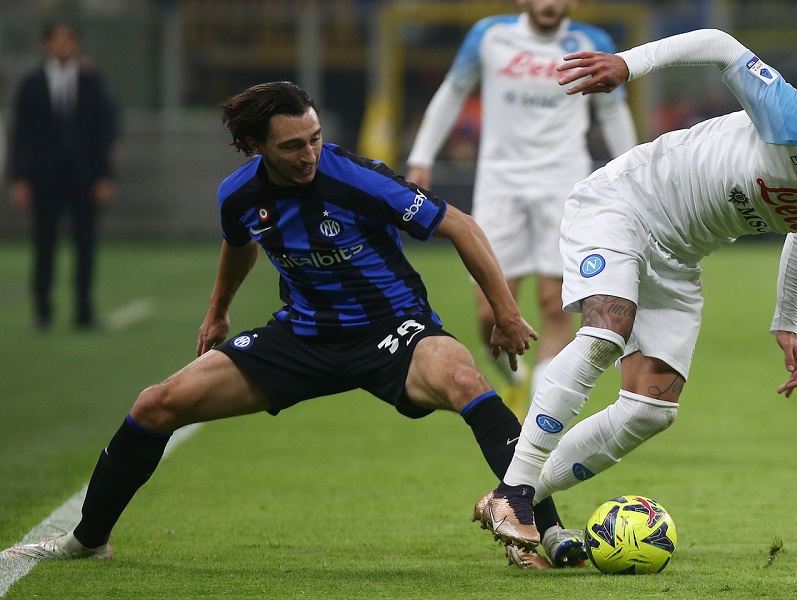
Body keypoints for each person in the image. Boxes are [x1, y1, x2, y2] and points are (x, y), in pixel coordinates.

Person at [1, 82, 584, 570]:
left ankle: (546, 529)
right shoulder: (238, 195)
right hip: (302, 337)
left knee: (465, 382)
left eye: (315, 138)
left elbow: (460, 225)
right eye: (292, 146)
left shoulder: (357, 178)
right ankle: (88, 540)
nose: (309, 155)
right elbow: (240, 243)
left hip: (392, 331)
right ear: (255, 147)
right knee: (156, 405)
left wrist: (506, 312)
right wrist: (218, 310)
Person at [471, 28, 797, 550]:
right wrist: (628, 64)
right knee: (606, 333)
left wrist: (787, 321)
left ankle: (514, 496)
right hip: (624, 205)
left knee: (651, 409)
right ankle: (517, 490)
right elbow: (719, 45)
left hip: (679, 257)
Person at [406, 0, 637, 411]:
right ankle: (515, 378)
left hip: (564, 185)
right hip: (500, 184)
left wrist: (633, 173)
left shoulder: (592, 41)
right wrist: (421, 158)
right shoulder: (489, 35)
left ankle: (538, 410)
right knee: (490, 312)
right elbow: (453, 92)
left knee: (555, 305)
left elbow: (613, 110)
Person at [8, 21, 119, 330]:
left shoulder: (92, 81)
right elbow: (20, 133)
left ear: (76, 43)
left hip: (84, 177)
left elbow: (104, 131)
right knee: (44, 245)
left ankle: (84, 310)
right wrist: (18, 178)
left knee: (86, 245)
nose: (62, 44)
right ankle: (42, 311)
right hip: (44, 178)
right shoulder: (31, 84)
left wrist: (105, 176)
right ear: (45, 44)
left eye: (68, 38)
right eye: (55, 38)